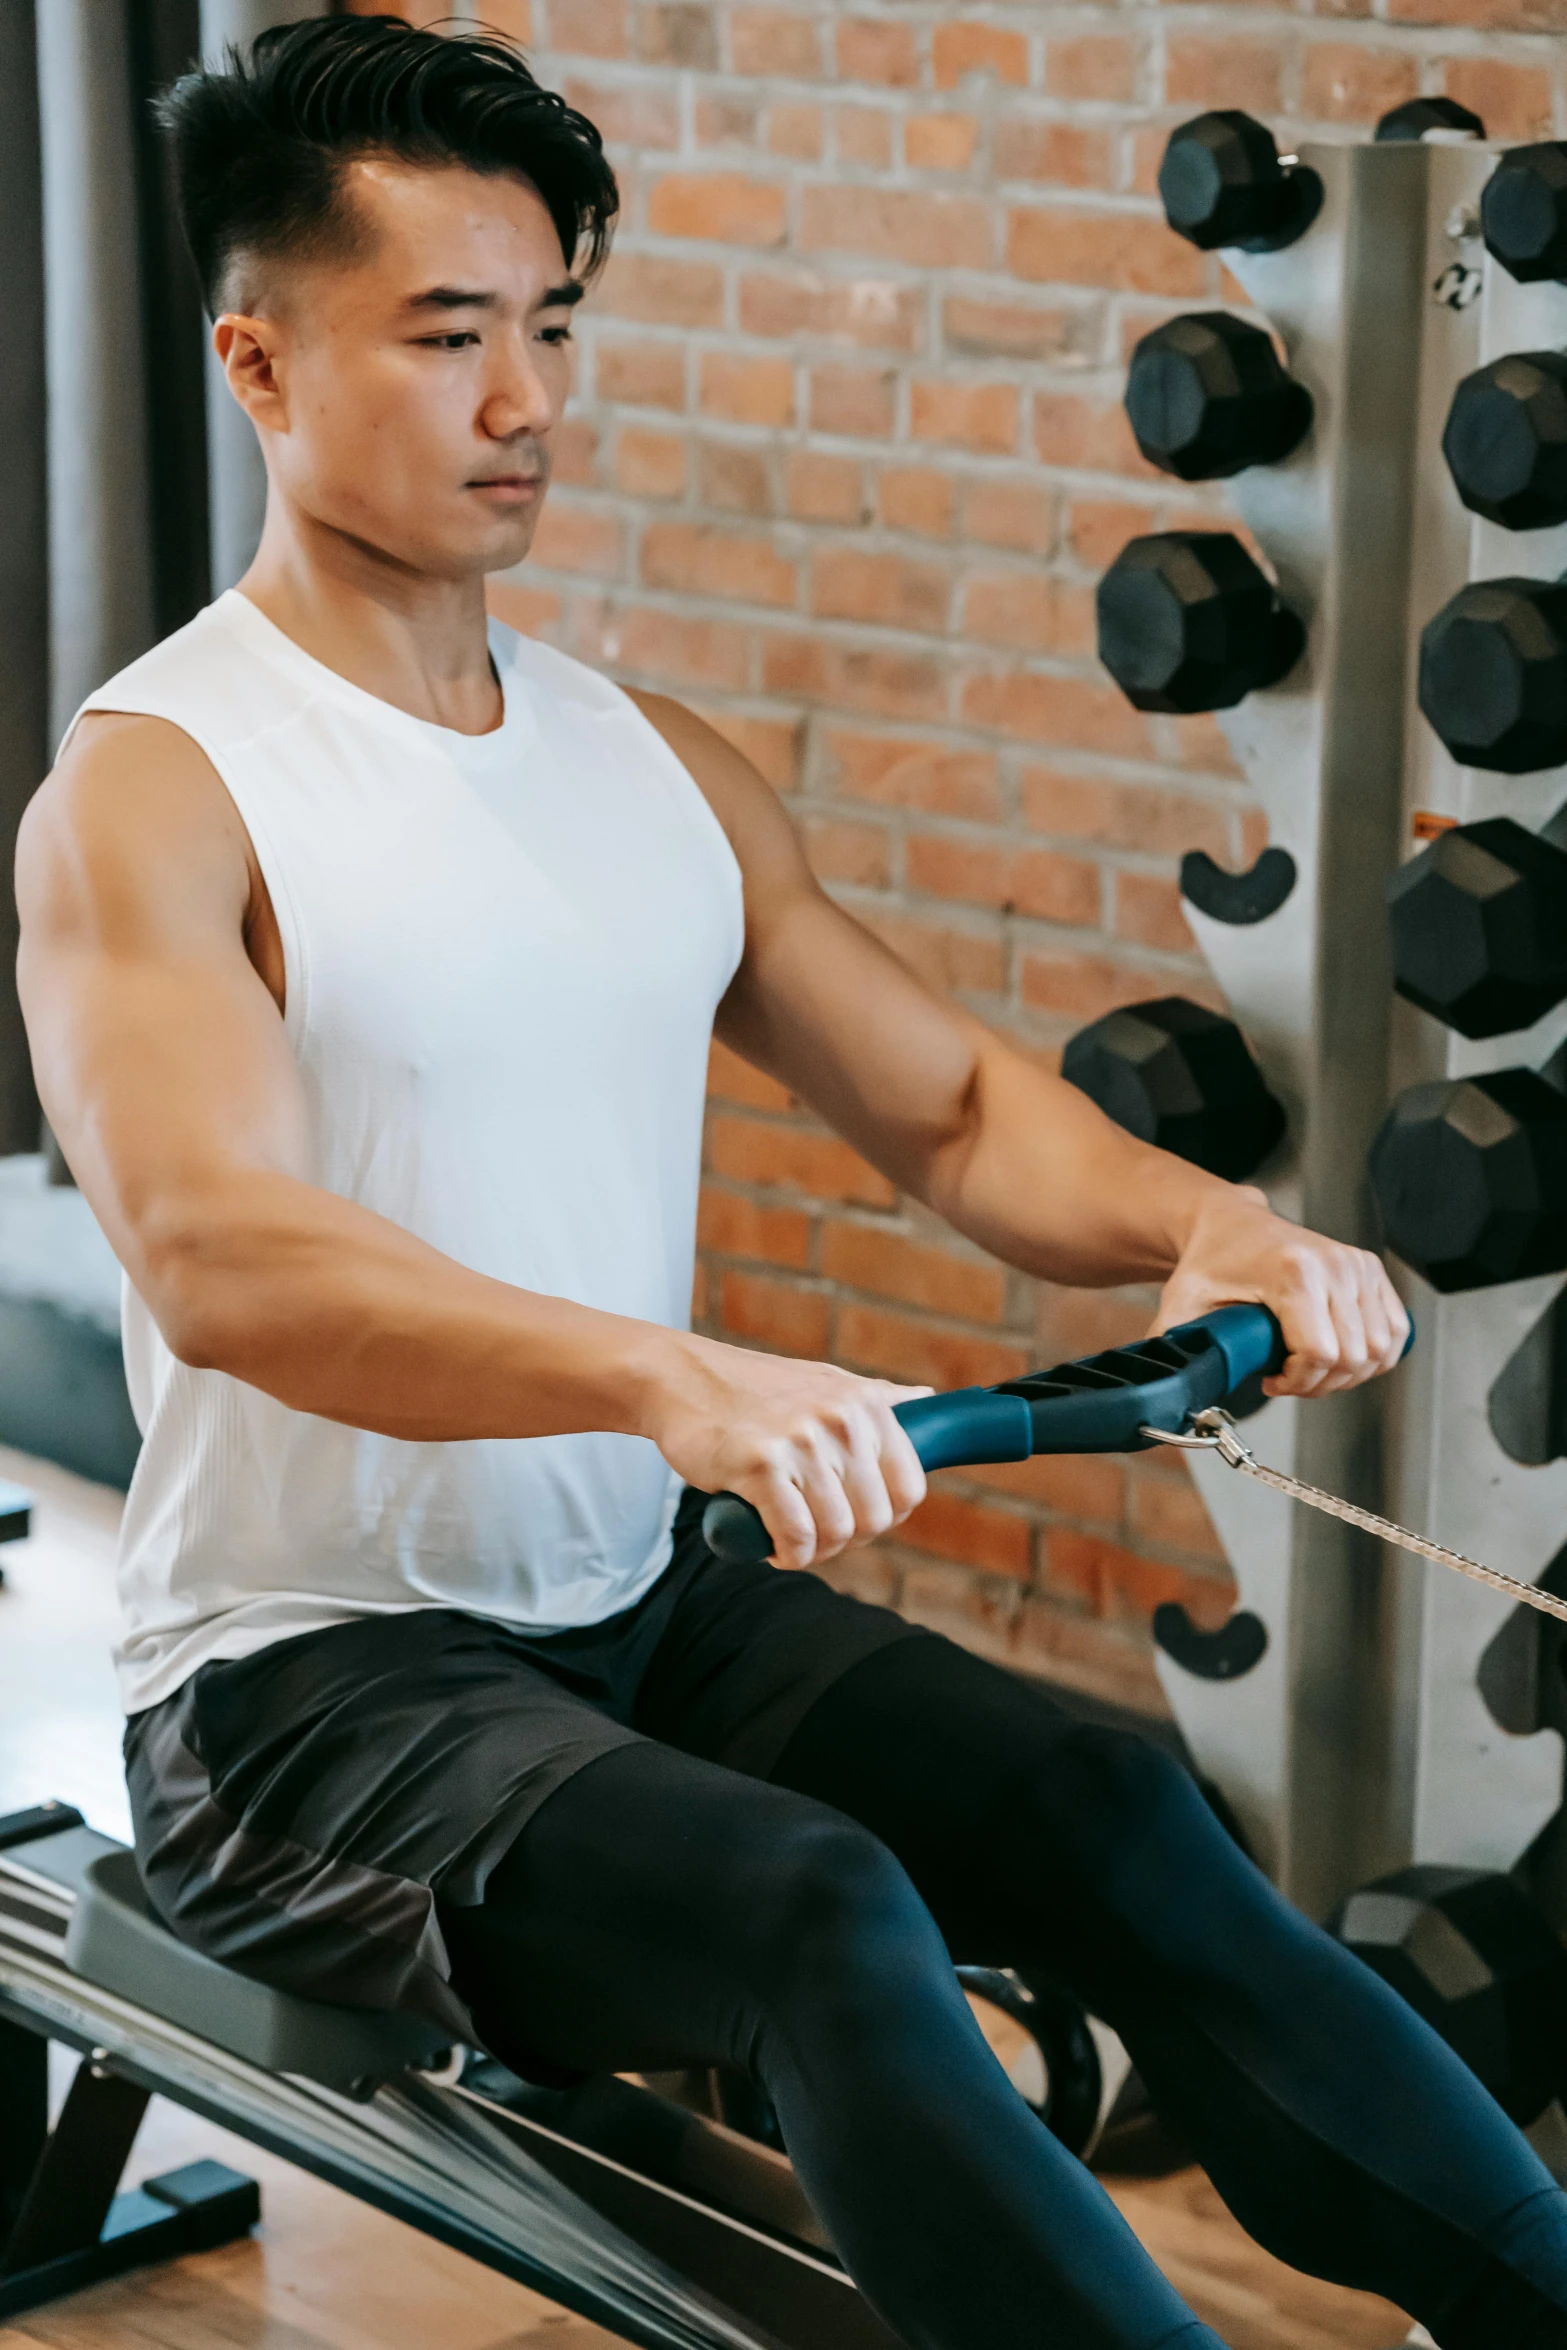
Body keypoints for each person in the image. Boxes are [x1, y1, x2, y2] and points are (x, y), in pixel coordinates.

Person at [15, 19, 1567, 2350]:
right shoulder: (161, 785)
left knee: (1113, 1811)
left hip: (639, 1601)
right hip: (302, 1691)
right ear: (256, 357)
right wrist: (674, 1376)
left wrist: (1202, 1229)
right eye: (449, 336)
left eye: (550, 322)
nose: (527, 393)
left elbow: (948, 1109)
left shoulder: (647, 765)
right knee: (817, 1906)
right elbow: (226, 1258)